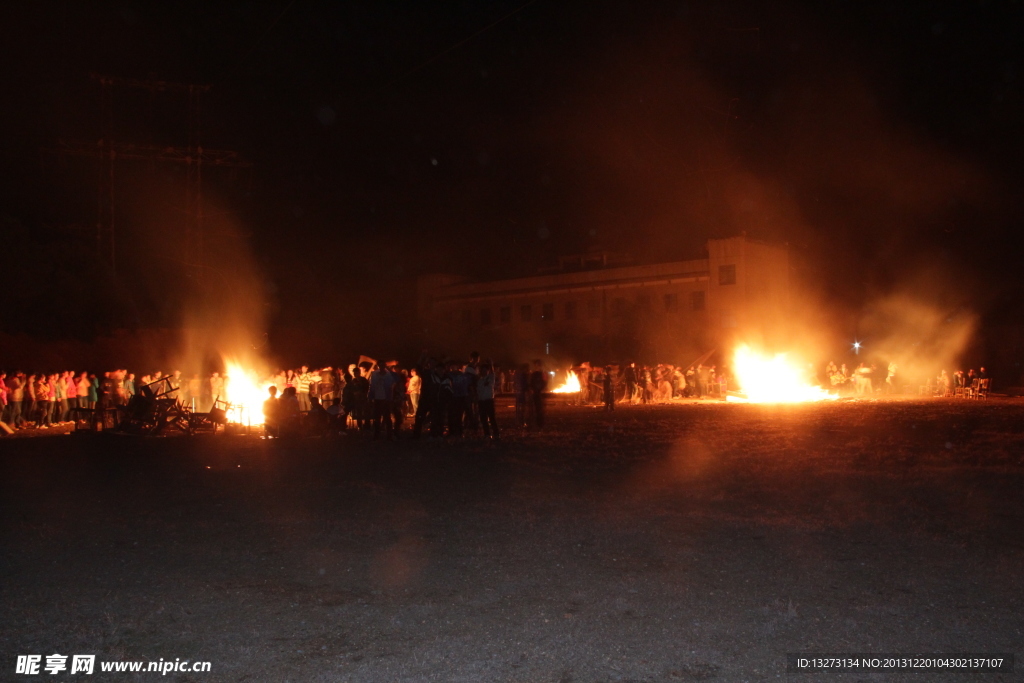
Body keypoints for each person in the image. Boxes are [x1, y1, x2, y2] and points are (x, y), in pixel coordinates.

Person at [369, 363, 395, 439]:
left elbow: (391, 386)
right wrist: (371, 396)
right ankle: (377, 434)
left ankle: (388, 434)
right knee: (377, 417)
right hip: (378, 398)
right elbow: (372, 386)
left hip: (385, 398)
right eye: (380, 366)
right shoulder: (375, 374)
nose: (380, 368)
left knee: (386, 417)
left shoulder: (388, 375)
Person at [477, 362, 499, 440]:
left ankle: (496, 433)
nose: (484, 372)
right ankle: (487, 434)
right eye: (482, 370)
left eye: (485, 370)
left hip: (489, 400)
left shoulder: (490, 378)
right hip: (481, 401)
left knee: (492, 418)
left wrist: (491, 363)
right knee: (483, 419)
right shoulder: (479, 381)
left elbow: (492, 372)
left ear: (488, 371)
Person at [528, 359, 548, 429]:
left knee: (539, 408)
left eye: (538, 365)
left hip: (539, 393)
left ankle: (540, 422)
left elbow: (545, 383)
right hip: (536, 392)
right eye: (536, 365)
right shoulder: (534, 374)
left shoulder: (542, 373)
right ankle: (537, 422)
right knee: (536, 408)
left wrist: (541, 389)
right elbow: (531, 383)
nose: (537, 366)